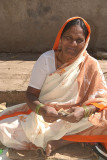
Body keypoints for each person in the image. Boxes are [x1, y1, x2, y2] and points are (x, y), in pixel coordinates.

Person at [0, 17, 107, 159]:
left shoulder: (91, 64)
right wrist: (42, 109)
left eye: (79, 40)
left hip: (77, 118)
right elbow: (31, 95)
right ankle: (80, 138)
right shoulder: (46, 60)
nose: (73, 44)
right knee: (4, 131)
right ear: (60, 39)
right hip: (44, 117)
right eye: (68, 38)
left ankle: (61, 141)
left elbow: (102, 99)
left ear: (85, 42)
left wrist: (84, 110)